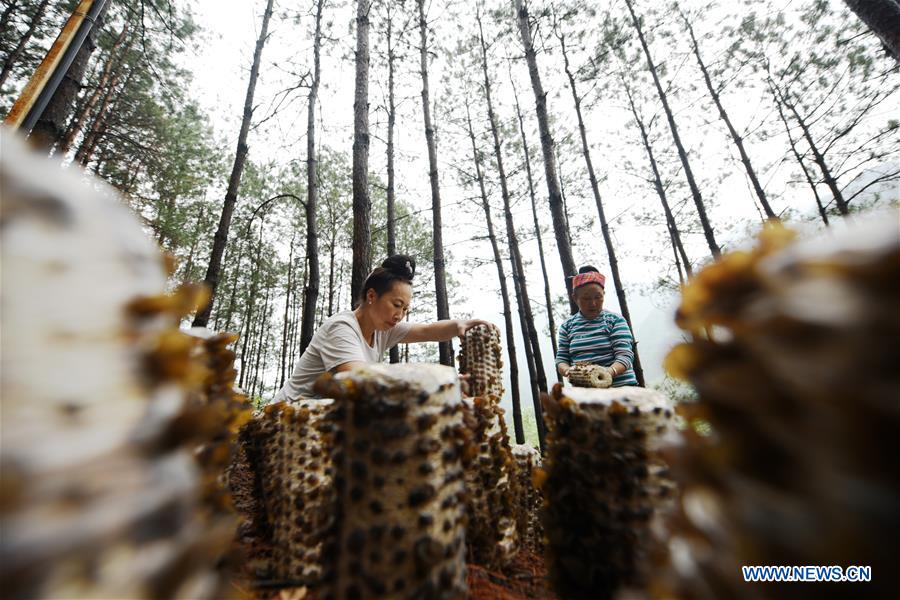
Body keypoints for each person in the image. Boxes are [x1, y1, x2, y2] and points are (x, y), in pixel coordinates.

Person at [273, 254, 490, 401]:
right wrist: (436, 383)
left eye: (405, 309)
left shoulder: (383, 331)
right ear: (371, 296)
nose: (400, 315)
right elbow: (359, 380)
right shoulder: (341, 327)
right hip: (284, 420)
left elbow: (428, 330)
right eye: (396, 305)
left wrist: (459, 324)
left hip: (319, 424)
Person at [555, 265, 639, 387]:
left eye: (598, 297)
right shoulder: (567, 326)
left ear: (603, 294)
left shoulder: (615, 321)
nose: (593, 303)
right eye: (586, 298)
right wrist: (569, 372)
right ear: (575, 298)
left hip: (621, 388)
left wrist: (607, 373)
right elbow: (562, 359)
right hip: (585, 392)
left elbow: (625, 355)